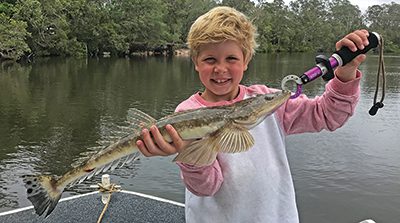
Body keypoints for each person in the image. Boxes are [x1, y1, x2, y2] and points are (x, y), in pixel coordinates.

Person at [136, 6, 369, 223]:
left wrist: (346, 74)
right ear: (195, 62)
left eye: (231, 58)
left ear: (246, 60)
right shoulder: (187, 113)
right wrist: (188, 155)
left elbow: (328, 115)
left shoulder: (270, 100)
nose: (220, 69)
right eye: (209, 59)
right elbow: (206, 187)